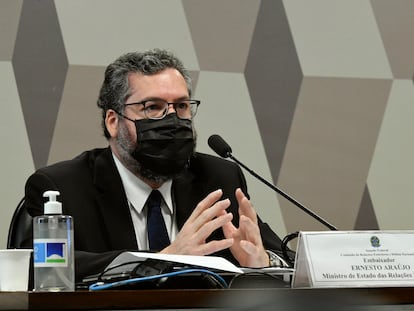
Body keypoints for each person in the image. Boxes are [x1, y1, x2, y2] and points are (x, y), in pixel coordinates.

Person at [20, 49, 291, 283]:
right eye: (153, 107)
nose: (172, 119)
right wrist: (162, 260)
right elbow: (34, 270)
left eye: (182, 106)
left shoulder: (218, 178)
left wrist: (264, 263)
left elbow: (285, 259)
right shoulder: (62, 187)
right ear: (113, 121)